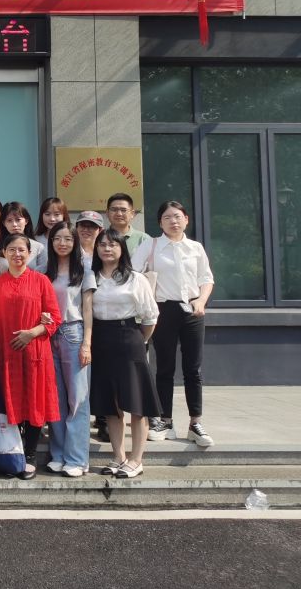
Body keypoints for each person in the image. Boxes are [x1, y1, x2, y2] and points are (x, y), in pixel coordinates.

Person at [133, 201, 215, 447]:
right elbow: (133, 273)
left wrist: (201, 301)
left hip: (193, 310)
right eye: (167, 217)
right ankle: (165, 421)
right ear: (160, 222)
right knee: (165, 368)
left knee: (193, 369)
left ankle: (195, 422)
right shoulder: (151, 245)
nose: (173, 221)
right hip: (163, 310)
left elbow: (206, 278)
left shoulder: (195, 248)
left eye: (177, 216)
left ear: (186, 219)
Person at [0, 233, 62, 480]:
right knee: (11, 401)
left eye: (22, 250)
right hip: (6, 353)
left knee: (34, 401)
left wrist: (32, 333)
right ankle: (12, 455)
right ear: (3, 253)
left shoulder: (41, 281)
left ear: (29, 254)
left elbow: (54, 318)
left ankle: (30, 455)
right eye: (12, 250)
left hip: (35, 352)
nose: (17, 254)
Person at [92, 229, 161, 477]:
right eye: (102, 244)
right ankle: (118, 457)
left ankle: (136, 459)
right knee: (110, 405)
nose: (107, 249)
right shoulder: (91, 277)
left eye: (113, 244)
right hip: (100, 339)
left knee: (136, 403)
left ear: (122, 249)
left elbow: (150, 316)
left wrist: (139, 340)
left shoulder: (135, 279)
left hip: (129, 338)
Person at [43, 221, 95, 478]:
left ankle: (77, 458)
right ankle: (58, 454)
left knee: (77, 398)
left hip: (73, 333)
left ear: (75, 243)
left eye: (67, 239)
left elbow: (88, 310)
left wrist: (87, 343)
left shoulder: (84, 271)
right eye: (57, 239)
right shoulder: (44, 272)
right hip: (48, 335)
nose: (62, 243)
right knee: (55, 398)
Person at [0, 201, 46, 273]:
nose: (14, 224)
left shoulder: (38, 247)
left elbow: (43, 274)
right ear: (4, 223)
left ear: (26, 221)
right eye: (9, 220)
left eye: (18, 220)